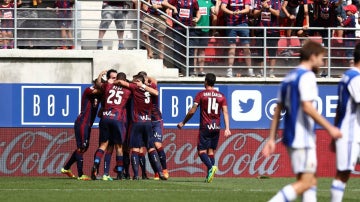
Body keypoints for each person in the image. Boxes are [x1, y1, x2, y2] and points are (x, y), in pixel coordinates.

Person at [262, 40, 342, 202]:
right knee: (306, 182)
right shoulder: (307, 76)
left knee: (310, 181)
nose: (322, 62)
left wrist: (271, 138)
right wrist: (330, 128)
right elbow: (307, 106)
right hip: (302, 137)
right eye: (321, 58)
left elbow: (278, 109)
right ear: (312, 57)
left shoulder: (289, 77)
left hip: (291, 136)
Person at [177, 73, 231, 183]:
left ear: (206, 82)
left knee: (201, 151)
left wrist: (183, 122)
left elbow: (193, 110)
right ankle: (209, 175)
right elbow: (225, 112)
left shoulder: (201, 94)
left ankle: (211, 167)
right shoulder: (221, 96)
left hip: (205, 126)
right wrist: (227, 128)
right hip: (216, 127)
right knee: (210, 151)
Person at [114, 74, 166, 180]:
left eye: (134, 81)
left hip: (137, 122)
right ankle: (160, 172)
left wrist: (112, 82)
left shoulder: (135, 87)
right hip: (147, 122)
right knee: (151, 148)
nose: (132, 82)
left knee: (135, 149)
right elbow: (156, 90)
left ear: (137, 81)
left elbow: (122, 82)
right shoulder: (150, 89)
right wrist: (144, 84)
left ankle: (136, 175)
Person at [330, 42, 360, 202]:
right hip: (351, 133)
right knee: (343, 174)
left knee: (344, 174)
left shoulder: (347, 76)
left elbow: (339, 108)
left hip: (349, 132)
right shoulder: (356, 78)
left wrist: (335, 130)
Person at [91, 70, 131, 181]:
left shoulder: (108, 86)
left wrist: (100, 75)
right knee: (119, 147)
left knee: (103, 145)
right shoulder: (128, 90)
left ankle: (95, 164)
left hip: (105, 117)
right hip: (117, 118)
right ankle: (119, 173)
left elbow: (98, 84)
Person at [61, 79, 102, 181]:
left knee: (84, 148)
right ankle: (80, 175)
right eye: (101, 82)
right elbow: (100, 89)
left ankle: (66, 168)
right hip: (82, 123)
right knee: (81, 148)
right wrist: (102, 77)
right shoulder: (88, 90)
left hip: (87, 125)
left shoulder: (99, 95)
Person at [137, 71, 169, 180]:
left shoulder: (152, 86)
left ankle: (164, 170)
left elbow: (155, 82)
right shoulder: (138, 89)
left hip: (156, 121)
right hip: (146, 121)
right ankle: (156, 172)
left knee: (157, 145)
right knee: (148, 147)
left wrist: (145, 80)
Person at [161, 0, 200, 77]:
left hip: (189, 28)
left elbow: (198, 10)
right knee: (177, 49)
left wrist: (197, 18)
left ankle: (191, 71)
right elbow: (164, 2)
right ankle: (178, 70)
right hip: (178, 27)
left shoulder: (193, 1)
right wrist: (173, 8)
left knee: (191, 49)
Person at [220, 0, 252, 77]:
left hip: (243, 23)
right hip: (231, 23)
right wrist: (232, 13)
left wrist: (239, 12)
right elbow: (223, 7)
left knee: (246, 47)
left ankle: (250, 69)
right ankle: (230, 69)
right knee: (232, 47)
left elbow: (247, 9)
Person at [253, 0, 281, 78]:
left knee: (272, 52)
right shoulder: (258, 1)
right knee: (260, 52)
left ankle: (271, 72)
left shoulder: (275, 1)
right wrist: (262, 9)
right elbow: (254, 14)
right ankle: (260, 71)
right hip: (260, 30)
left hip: (273, 30)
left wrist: (268, 8)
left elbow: (278, 13)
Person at [192, 0, 220, 77]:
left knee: (202, 50)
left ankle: (201, 70)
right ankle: (193, 70)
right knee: (195, 50)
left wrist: (218, 3)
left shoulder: (209, 2)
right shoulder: (196, 1)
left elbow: (215, 12)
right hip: (195, 28)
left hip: (205, 29)